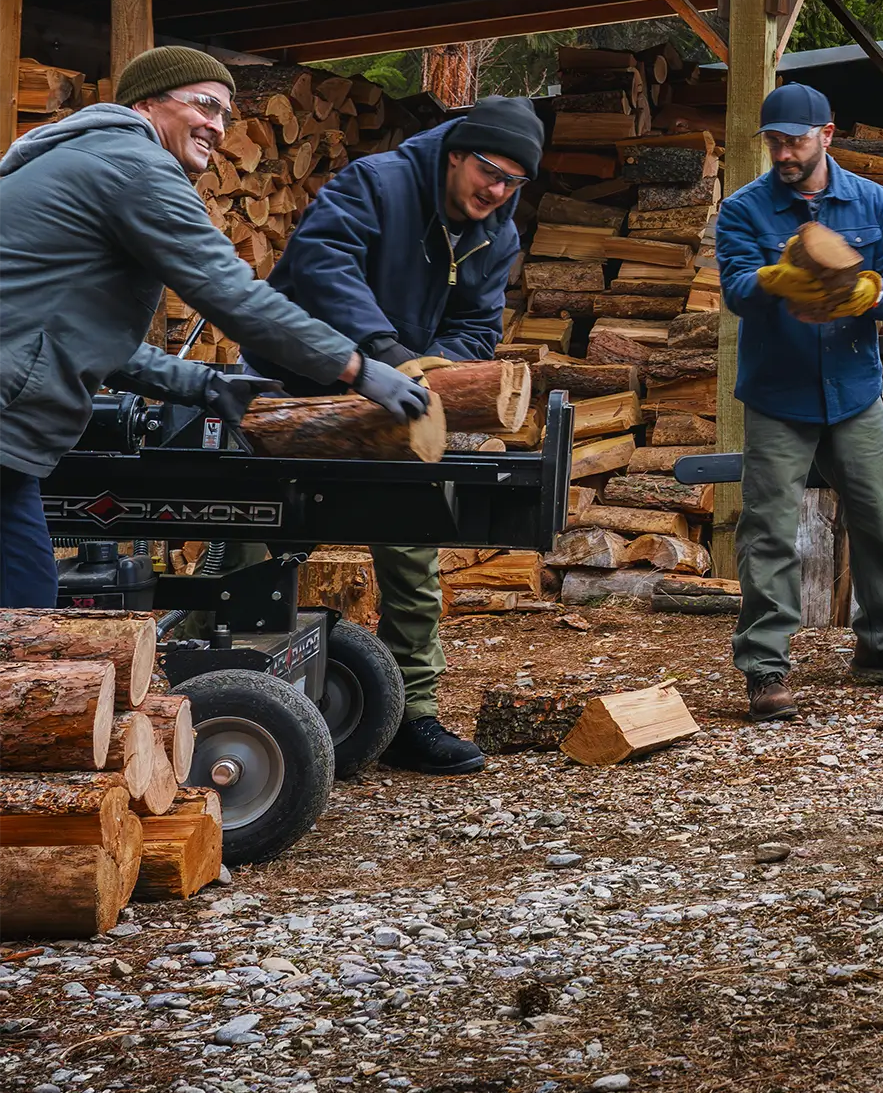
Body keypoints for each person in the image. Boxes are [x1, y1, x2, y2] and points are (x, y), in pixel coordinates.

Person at [0, 48, 434, 607]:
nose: (218, 126)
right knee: (24, 618)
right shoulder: (135, 166)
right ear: (148, 103)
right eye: (205, 104)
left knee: (24, 611)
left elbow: (71, 337)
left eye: (227, 113)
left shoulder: (90, 157)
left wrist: (202, 386)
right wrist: (358, 368)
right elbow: (231, 294)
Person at [246, 96, 544, 773]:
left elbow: (478, 323)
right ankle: (219, 686)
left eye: (512, 184)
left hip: (402, 398)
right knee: (257, 542)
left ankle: (413, 715)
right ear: (457, 154)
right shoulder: (376, 183)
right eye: (489, 173)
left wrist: (431, 372)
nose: (496, 193)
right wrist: (380, 352)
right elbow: (322, 269)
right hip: (299, 384)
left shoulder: (496, 232)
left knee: (412, 549)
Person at [715, 81, 883, 718]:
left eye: (794, 141)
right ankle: (765, 668)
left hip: (853, 392)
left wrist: (872, 294)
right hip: (777, 394)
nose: (783, 154)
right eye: (774, 142)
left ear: (826, 135)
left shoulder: (872, 200)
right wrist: (772, 279)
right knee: (768, 530)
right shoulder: (744, 209)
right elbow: (733, 286)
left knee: (878, 515)